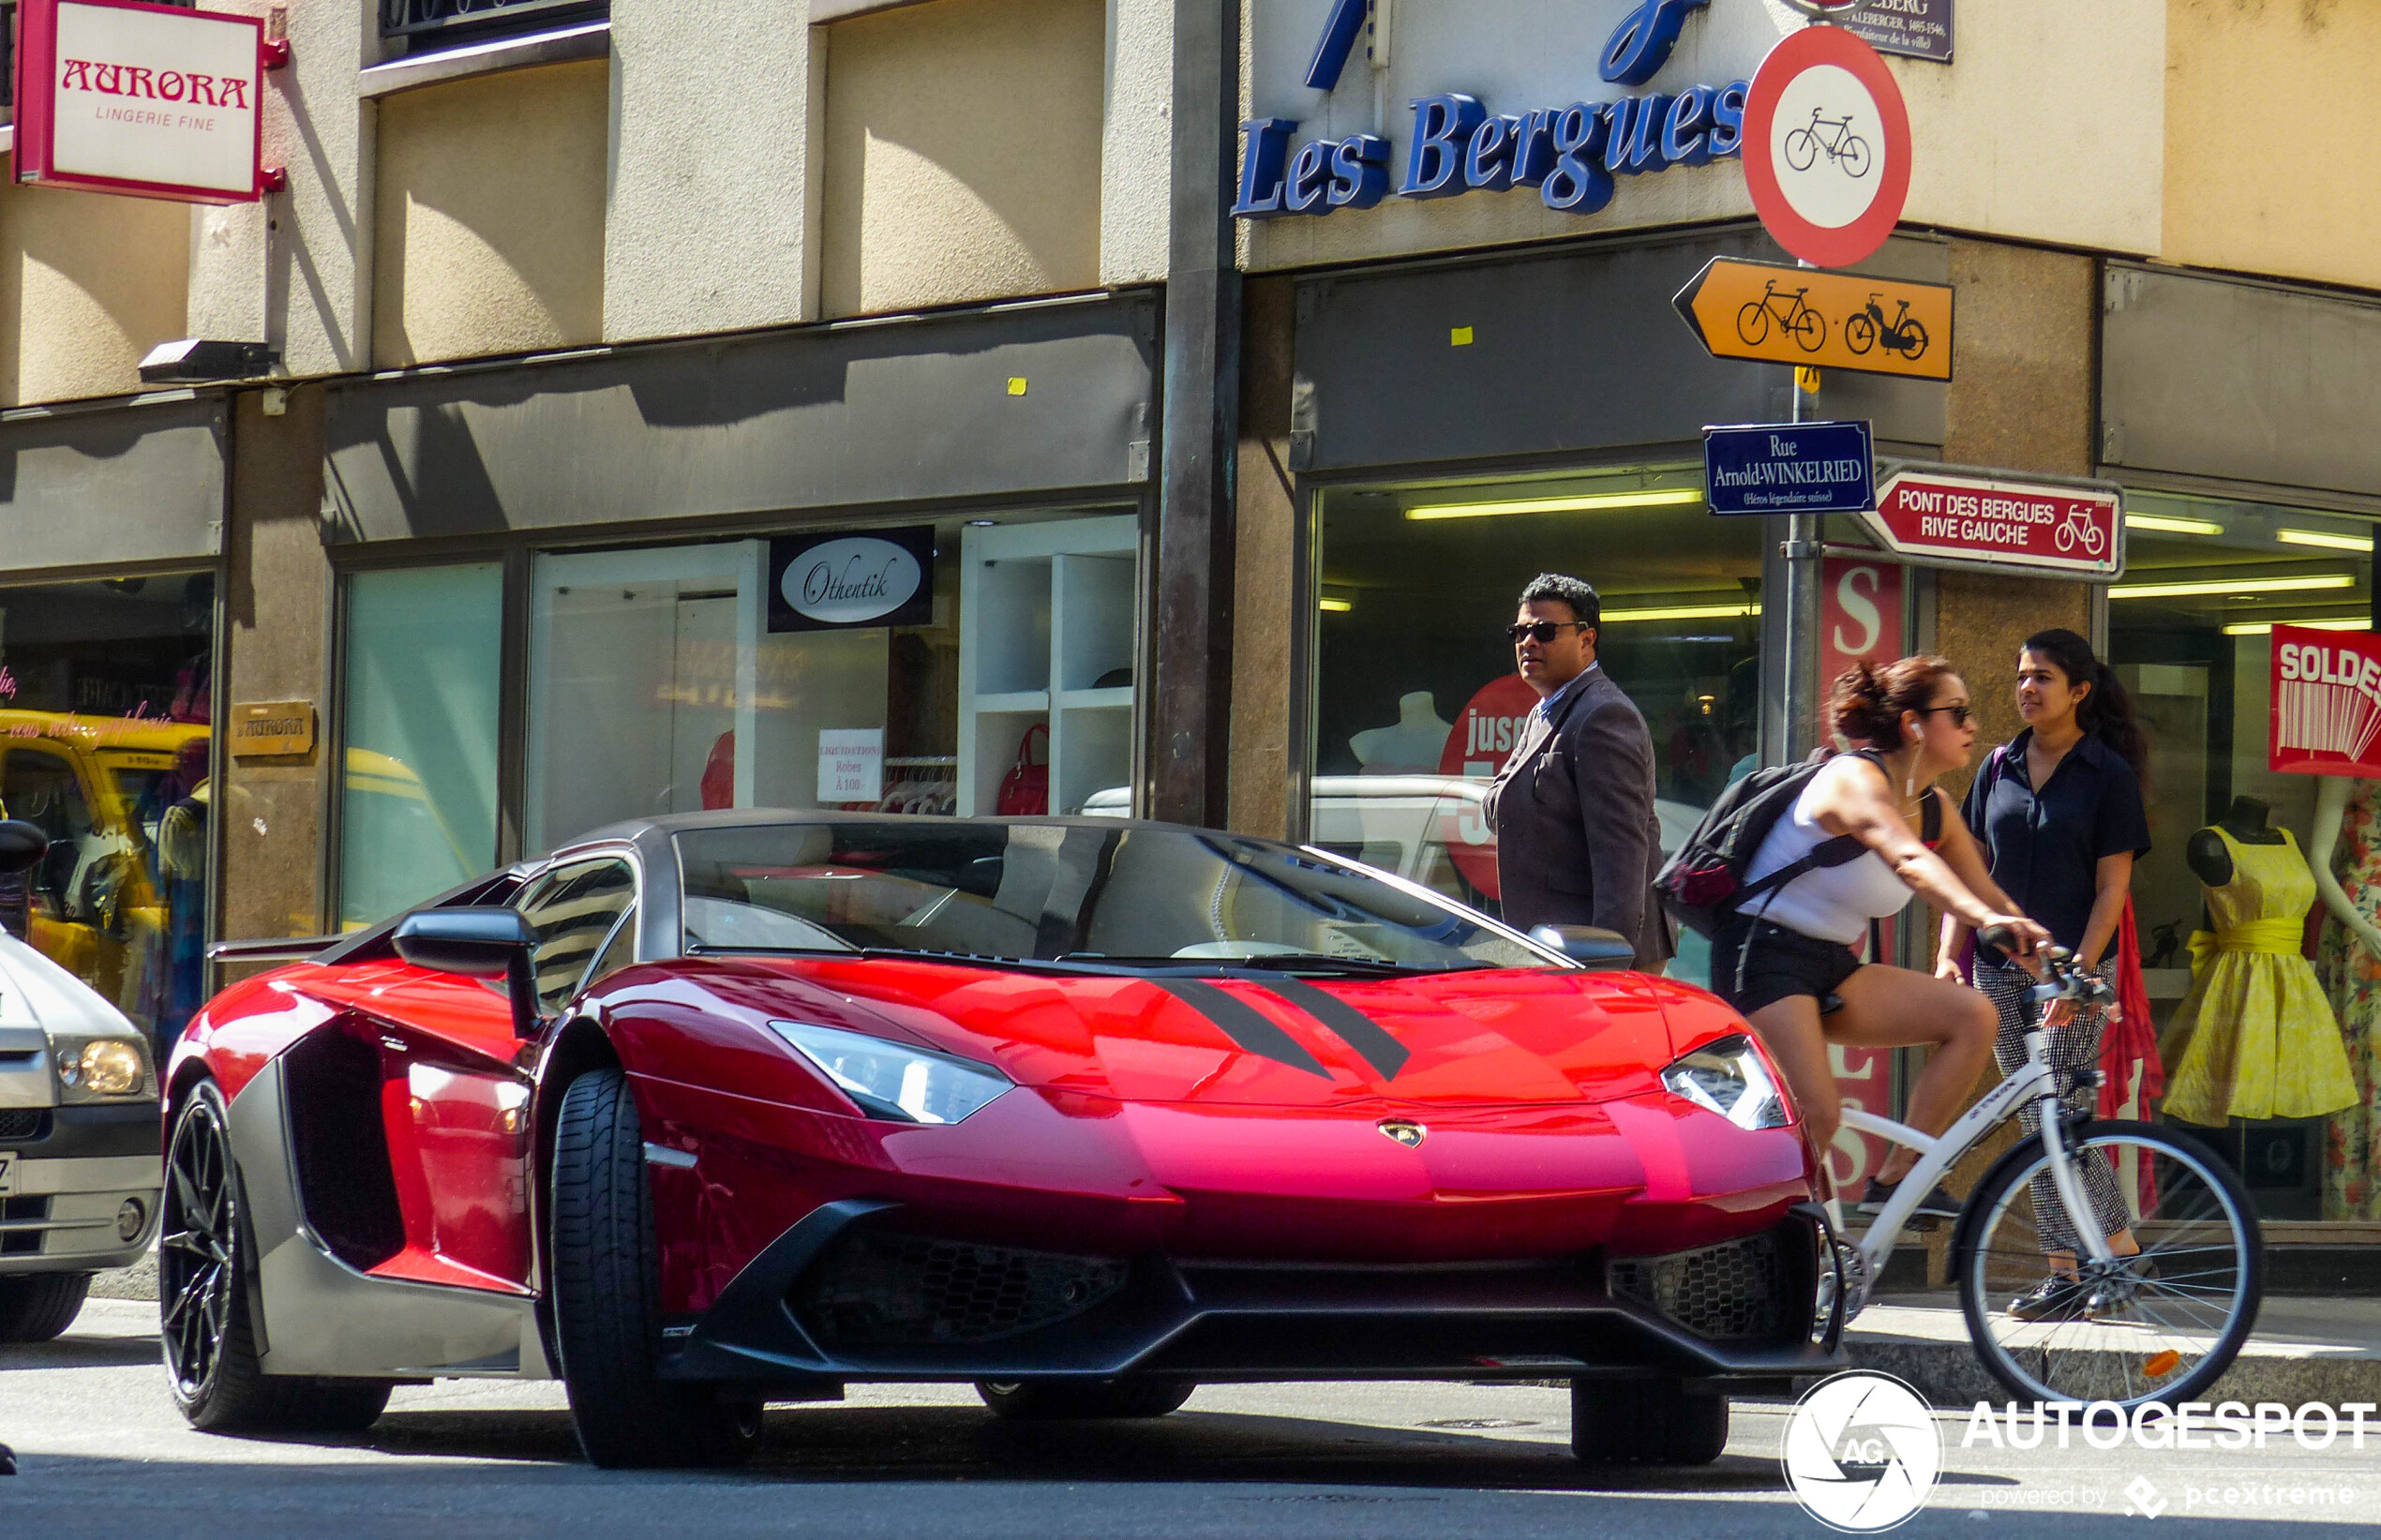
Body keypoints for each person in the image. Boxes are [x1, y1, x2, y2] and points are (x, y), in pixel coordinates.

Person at [1711, 656, 2050, 1217]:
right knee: (1819, 1113)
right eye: (1958, 713)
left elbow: (1988, 895)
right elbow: (1910, 860)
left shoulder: (1933, 806)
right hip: (1761, 953)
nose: (1972, 726)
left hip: (1829, 962)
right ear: (1915, 724)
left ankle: (1899, 1180)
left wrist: (2052, 964)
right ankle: (1753, 1243)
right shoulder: (1854, 779)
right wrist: (1988, 922)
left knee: (1972, 1016)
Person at [1939, 628, 2151, 1317]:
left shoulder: (2106, 775)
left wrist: (2077, 974)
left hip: (2073, 969)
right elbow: (1964, 872)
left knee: (2060, 1116)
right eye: (2022, 675)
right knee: (2040, 1121)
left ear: (2080, 691)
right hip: (1998, 967)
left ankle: (2110, 1255)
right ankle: (2077, 1270)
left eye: (2044, 677)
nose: (2027, 687)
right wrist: (1950, 951)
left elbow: (2111, 891)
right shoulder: (1997, 766)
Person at [1483, 573, 1670, 970]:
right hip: (1554, 945)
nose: (1528, 642)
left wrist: (1607, 962)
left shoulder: (1603, 715)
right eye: (1519, 632)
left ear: (1587, 640)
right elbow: (1498, 807)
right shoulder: (1547, 711)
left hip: (1594, 954)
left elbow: (1621, 857)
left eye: (1545, 631)